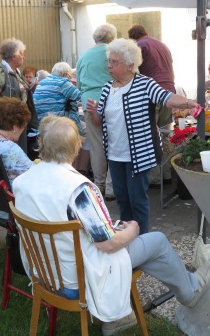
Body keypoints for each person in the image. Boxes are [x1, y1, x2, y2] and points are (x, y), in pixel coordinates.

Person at [13, 116, 210, 336]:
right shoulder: (77, 189)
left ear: (41, 143)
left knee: (135, 244)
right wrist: (133, 229)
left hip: (44, 273)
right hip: (77, 277)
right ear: (77, 146)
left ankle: (119, 316)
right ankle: (189, 291)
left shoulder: (22, 181)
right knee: (155, 241)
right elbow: (108, 244)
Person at [85, 38, 200, 235]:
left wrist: (190, 103)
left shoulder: (145, 84)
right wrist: (94, 112)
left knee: (137, 199)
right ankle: (127, 237)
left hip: (139, 154)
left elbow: (168, 98)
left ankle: (143, 241)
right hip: (115, 154)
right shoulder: (106, 88)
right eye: (109, 62)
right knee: (122, 198)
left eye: (115, 62)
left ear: (130, 65)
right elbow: (99, 121)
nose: (110, 66)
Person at [127, 24, 176, 188]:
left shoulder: (139, 46)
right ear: (145, 32)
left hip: (152, 93)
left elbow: (134, 72)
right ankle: (167, 173)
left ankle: (154, 178)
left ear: (133, 38)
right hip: (169, 92)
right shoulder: (162, 45)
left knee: (150, 135)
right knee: (165, 134)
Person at [76, 23, 117, 200]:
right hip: (112, 100)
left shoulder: (83, 55)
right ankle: (111, 187)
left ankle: (99, 183)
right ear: (112, 38)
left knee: (97, 145)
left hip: (89, 102)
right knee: (116, 143)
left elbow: (78, 83)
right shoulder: (113, 53)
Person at [0, 97, 32, 220]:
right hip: (14, 208)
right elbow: (33, 174)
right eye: (23, 126)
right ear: (15, 126)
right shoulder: (10, 149)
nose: (23, 129)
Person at [0, 38, 38, 154]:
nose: (23, 57)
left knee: (19, 153)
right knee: (8, 155)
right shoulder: (1, 71)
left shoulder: (17, 72)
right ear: (14, 56)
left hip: (17, 121)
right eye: (21, 53)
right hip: (5, 122)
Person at [33, 61, 83, 134]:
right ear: (65, 74)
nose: (70, 78)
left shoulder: (42, 82)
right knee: (87, 130)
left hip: (41, 124)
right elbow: (81, 97)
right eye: (70, 75)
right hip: (57, 125)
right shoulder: (63, 83)